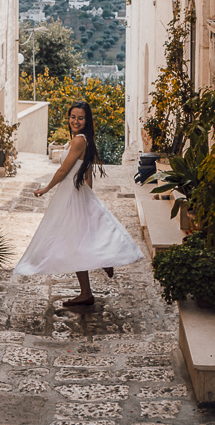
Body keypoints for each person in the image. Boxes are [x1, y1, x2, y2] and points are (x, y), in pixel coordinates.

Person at [13, 101, 143, 306]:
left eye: (80, 118)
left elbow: (64, 170)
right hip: (76, 193)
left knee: (74, 240)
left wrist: (46, 188)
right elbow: (87, 171)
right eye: (72, 116)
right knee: (77, 240)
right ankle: (87, 290)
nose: (75, 121)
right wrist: (88, 195)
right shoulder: (83, 139)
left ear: (87, 120)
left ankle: (101, 265)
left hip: (71, 195)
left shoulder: (79, 141)